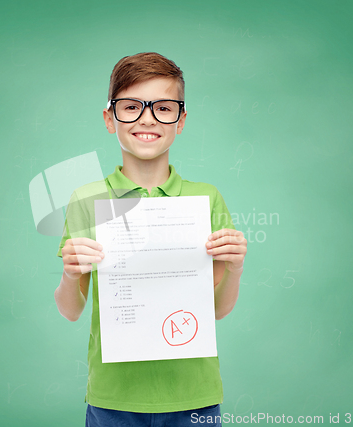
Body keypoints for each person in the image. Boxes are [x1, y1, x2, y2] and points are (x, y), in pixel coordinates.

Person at [54, 52, 247, 427]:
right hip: (114, 399)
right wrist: (68, 272)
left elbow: (218, 309)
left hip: (195, 397)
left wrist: (235, 268)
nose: (147, 119)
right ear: (110, 119)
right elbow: (70, 309)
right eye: (131, 106)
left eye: (163, 107)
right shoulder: (87, 200)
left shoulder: (206, 199)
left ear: (181, 120)